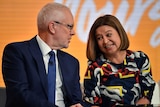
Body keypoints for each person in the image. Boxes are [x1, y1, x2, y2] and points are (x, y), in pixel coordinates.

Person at [2, 2, 83, 107]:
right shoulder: (17, 52)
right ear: (52, 27)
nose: (73, 32)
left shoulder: (71, 62)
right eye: (69, 26)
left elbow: (76, 100)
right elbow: (20, 95)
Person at [83, 14, 155, 107]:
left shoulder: (140, 59)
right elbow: (91, 103)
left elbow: (146, 96)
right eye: (99, 38)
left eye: (109, 35)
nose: (105, 41)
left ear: (120, 33)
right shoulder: (95, 67)